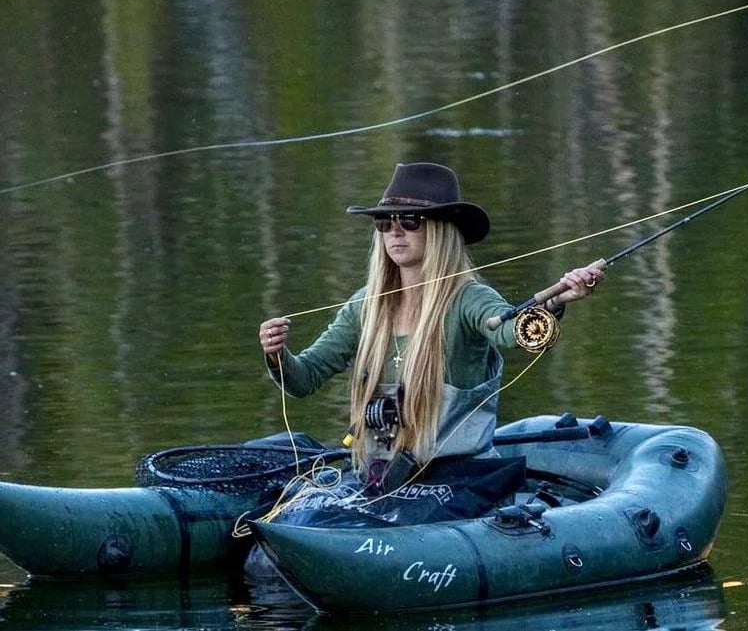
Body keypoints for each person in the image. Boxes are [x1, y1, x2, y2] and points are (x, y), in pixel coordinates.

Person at [257, 162, 604, 520]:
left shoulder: (468, 296)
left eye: (410, 221)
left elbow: (512, 332)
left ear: (440, 230)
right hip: (383, 475)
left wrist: (555, 301)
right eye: (384, 222)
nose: (395, 232)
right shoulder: (364, 305)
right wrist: (278, 354)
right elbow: (304, 379)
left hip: (458, 477)